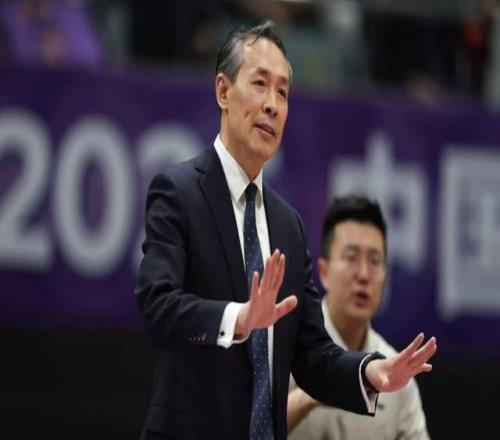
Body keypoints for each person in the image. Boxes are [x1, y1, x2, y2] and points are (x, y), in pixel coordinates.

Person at [135, 21, 437, 440]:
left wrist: (369, 372)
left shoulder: (287, 225)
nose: (273, 105)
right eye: (260, 84)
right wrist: (239, 318)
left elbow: (314, 355)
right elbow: (157, 306)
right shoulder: (178, 192)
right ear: (223, 91)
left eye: (283, 92)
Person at [287, 196, 430, 439]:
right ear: (323, 272)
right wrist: (313, 393)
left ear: (385, 275)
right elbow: (250, 428)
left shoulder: (395, 373)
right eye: (351, 257)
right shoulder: (288, 345)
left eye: (375, 261)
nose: (363, 274)